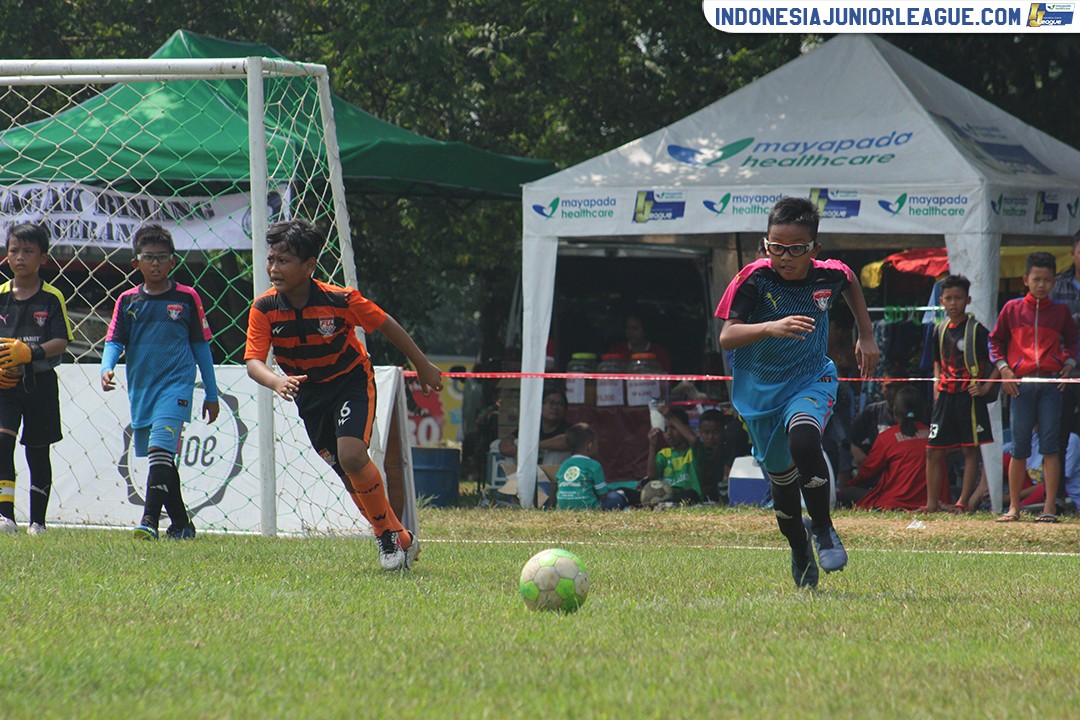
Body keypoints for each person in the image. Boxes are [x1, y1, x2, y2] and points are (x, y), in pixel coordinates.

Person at [244, 219, 441, 570]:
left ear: (309, 266)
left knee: (352, 455)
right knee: (346, 472)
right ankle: (401, 538)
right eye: (271, 259)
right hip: (309, 395)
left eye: (284, 261)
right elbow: (254, 362)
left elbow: (386, 324)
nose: (274, 268)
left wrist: (422, 364)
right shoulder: (264, 308)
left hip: (350, 381)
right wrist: (275, 381)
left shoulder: (341, 299)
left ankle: (385, 538)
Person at [716, 196, 879, 588]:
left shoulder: (828, 274)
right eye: (776, 247)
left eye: (796, 249)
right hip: (759, 397)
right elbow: (727, 336)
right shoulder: (752, 279)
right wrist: (770, 327)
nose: (784, 257)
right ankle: (799, 546)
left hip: (810, 378)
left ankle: (824, 529)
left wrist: (866, 335)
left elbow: (851, 280)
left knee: (805, 439)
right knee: (785, 493)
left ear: (814, 250)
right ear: (766, 243)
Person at [100, 224, 218, 540]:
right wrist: (106, 367)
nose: (155, 263)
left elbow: (202, 348)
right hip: (141, 390)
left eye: (161, 257)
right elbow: (114, 340)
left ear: (172, 262)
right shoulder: (126, 300)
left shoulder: (187, 297)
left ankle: (149, 521)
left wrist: (211, 392)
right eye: (148, 257)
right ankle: (181, 525)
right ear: (135, 262)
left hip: (176, 387)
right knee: (162, 458)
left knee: (159, 450)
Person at [990, 251, 1079, 523]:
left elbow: (1074, 341)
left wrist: (1070, 363)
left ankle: (1049, 508)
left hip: (1053, 385)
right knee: (1019, 448)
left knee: (1051, 448)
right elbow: (995, 342)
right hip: (1020, 386)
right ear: (1025, 279)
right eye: (1036, 279)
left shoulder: (1060, 312)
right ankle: (1014, 508)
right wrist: (1004, 370)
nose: (1042, 285)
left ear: (1054, 282)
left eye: (1047, 280)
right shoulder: (1012, 310)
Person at [0, 223, 73, 536]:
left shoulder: (52, 297)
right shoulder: (1, 296)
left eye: (28, 251)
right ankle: (5, 517)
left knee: (37, 450)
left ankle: (38, 522)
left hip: (40, 384)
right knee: (3, 442)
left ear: (43, 258)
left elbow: (61, 341)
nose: (19, 258)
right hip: (5, 386)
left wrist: (29, 352)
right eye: (14, 250)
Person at [923, 275, 998, 513]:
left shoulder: (977, 330)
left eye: (958, 298)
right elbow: (936, 361)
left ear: (968, 300)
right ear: (942, 301)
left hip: (969, 396)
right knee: (933, 449)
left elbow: (998, 360)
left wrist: (985, 387)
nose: (953, 303)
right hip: (945, 395)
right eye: (948, 298)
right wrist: (936, 383)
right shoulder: (939, 329)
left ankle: (962, 502)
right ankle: (932, 503)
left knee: (969, 449)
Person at [853, 386, 941, 511]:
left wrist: (851, 483)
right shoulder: (934, 437)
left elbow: (868, 472)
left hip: (895, 500)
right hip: (933, 499)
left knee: (846, 493)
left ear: (895, 411)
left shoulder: (887, 438)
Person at [1050, 235, 1080, 506]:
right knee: (1058, 433)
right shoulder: (1057, 286)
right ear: (1072, 252)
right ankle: (1057, 496)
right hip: (1065, 372)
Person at [554, 423, 626, 510]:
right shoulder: (594, 465)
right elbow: (602, 494)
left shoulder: (564, 464)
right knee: (615, 497)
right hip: (588, 508)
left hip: (563, 507)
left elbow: (555, 484)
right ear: (590, 446)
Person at [498, 387, 570, 467]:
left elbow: (567, 441)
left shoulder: (570, 429)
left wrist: (533, 446)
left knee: (556, 453)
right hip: (529, 469)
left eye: (560, 404)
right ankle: (514, 479)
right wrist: (509, 446)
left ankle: (545, 480)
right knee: (516, 443)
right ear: (540, 406)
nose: (555, 408)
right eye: (551, 403)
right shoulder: (531, 427)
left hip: (555, 475)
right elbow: (507, 441)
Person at [645, 405, 702, 505]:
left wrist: (669, 416)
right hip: (666, 495)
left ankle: (665, 505)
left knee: (690, 494)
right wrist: (652, 446)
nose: (668, 433)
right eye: (665, 429)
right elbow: (652, 476)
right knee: (622, 492)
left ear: (685, 428)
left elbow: (693, 439)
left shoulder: (692, 452)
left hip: (687, 496)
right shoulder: (664, 454)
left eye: (673, 428)